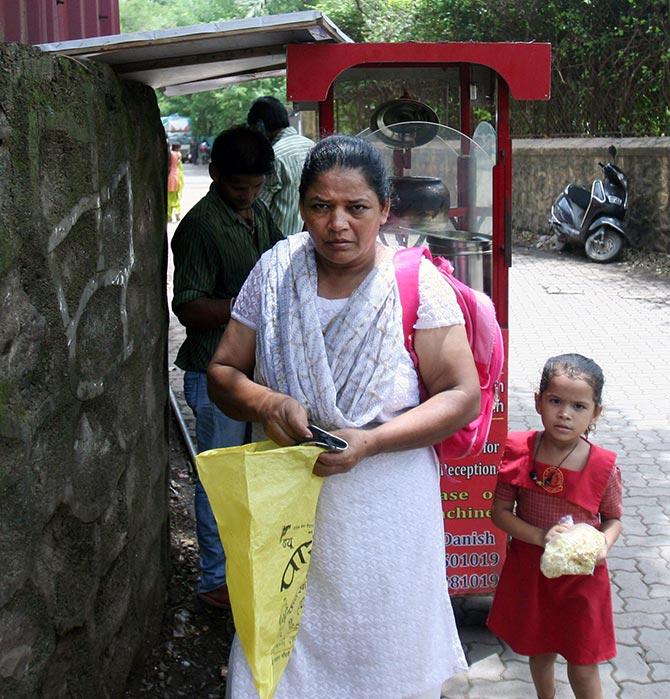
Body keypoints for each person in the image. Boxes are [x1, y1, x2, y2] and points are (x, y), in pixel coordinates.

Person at [207, 135, 479, 697]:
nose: (337, 224)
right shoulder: (276, 273)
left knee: (387, 659)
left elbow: (461, 394)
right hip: (291, 512)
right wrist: (266, 402)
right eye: (320, 206)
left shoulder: (414, 285)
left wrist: (371, 443)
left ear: (384, 210)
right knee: (284, 656)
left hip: (386, 515)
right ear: (301, 206)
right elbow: (223, 371)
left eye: (356, 208)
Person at [171, 125, 284, 608]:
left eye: (257, 188)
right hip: (211, 371)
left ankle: (247, 571)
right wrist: (246, 306)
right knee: (219, 479)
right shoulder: (199, 227)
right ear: (215, 174)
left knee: (254, 477)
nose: (249, 196)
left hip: (254, 372)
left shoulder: (255, 212)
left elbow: (282, 257)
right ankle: (214, 580)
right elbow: (188, 306)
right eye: (240, 187)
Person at [487, 353, 623, 699]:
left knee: (583, 659)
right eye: (555, 401)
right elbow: (500, 512)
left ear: (596, 413)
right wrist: (539, 537)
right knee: (540, 647)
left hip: (582, 579)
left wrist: (603, 545)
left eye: (579, 406)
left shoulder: (603, 467)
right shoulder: (519, 451)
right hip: (532, 572)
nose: (565, 413)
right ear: (538, 401)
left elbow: (613, 519)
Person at [247, 95, 314, 236]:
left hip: (279, 240)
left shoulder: (274, 156)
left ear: (260, 125)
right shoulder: (311, 146)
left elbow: (259, 206)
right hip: (308, 238)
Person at [167, 143, 184, 222]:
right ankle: (177, 213)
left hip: (170, 177)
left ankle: (169, 216)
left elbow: (169, 166)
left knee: (169, 197)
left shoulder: (170, 154)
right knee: (176, 197)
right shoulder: (179, 155)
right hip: (177, 177)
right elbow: (180, 168)